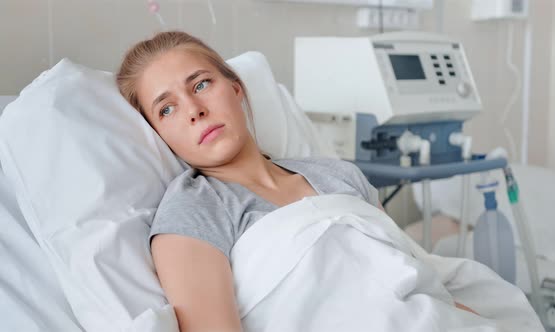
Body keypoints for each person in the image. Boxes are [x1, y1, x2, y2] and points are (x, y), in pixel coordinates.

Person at [116, 31, 476, 332]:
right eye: (167, 108)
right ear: (159, 134)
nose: (194, 110)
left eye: (202, 84)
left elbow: (417, 281)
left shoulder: (340, 175)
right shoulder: (192, 212)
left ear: (236, 89)